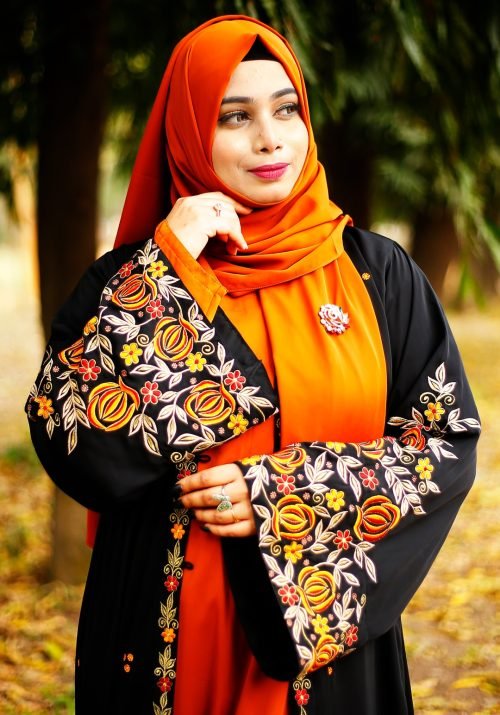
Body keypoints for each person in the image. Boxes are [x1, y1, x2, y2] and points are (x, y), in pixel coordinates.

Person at [25, 14, 480, 715]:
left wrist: (279, 495)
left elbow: (445, 441)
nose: (270, 138)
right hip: (163, 645)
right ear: (187, 132)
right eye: (234, 116)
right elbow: (75, 445)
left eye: (286, 109)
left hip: (324, 653)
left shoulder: (377, 274)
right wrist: (168, 269)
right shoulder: (132, 276)